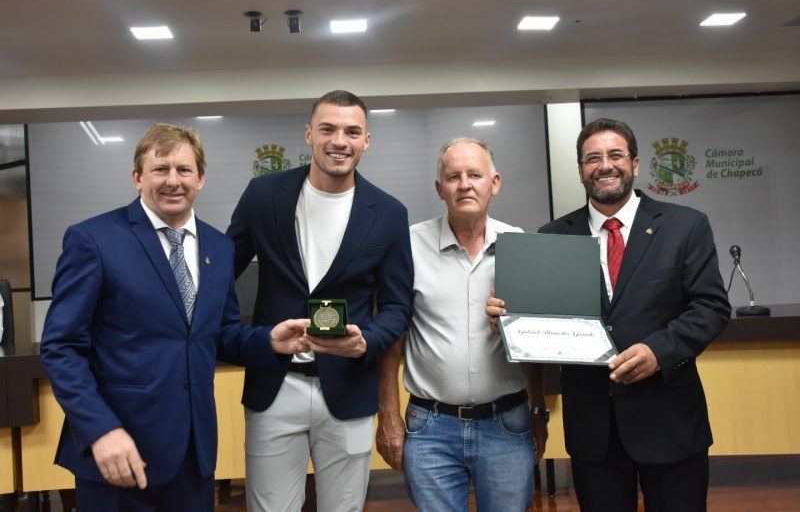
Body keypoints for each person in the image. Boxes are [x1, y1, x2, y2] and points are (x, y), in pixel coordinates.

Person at [40, 123, 309, 512]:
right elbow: (61, 347)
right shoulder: (93, 240)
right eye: (160, 169)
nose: (173, 181)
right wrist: (100, 430)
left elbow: (220, 333)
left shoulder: (219, 246)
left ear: (201, 178)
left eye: (184, 170)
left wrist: (268, 341)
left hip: (192, 455)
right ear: (137, 177)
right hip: (118, 453)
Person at [487, 118, 731, 511]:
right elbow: (541, 327)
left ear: (635, 164)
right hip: (593, 430)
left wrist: (659, 352)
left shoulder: (685, 226)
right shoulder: (551, 237)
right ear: (582, 169)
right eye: (593, 158)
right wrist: (509, 319)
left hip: (669, 421)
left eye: (616, 155)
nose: (605, 165)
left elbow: (712, 307)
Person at [226, 90, 413, 511]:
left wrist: (367, 341)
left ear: (367, 140)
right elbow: (222, 271)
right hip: (275, 384)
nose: (339, 141)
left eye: (352, 131)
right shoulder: (263, 195)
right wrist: (236, 334)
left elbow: (398, 306)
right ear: (310, 134)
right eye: (327, 129)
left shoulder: (388, 213)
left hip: (348, 386)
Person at [376, 137, 548, 512]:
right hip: (430, 428)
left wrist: (538, 409)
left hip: (508, 423)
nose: (465, 184)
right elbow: (391, 338)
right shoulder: (408, 246)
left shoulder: (521, 246)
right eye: (453, 177)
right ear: (440, 189)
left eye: (475, 174)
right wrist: (387, 414)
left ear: (495, 183)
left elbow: (535, 344)